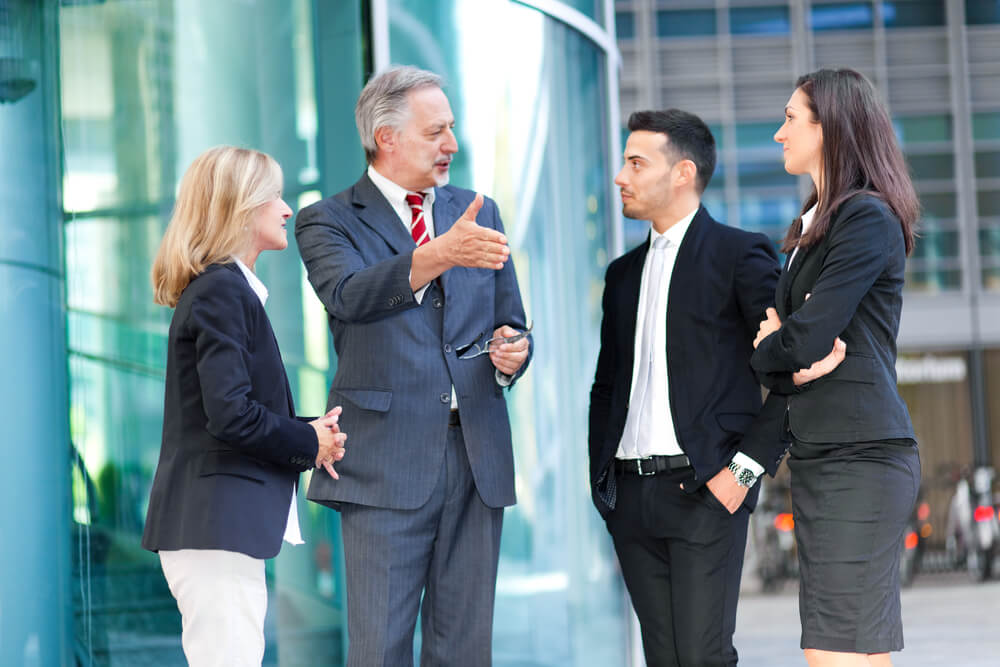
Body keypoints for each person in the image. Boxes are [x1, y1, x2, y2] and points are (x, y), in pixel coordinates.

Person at [295, 66, 531, 666]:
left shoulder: (481, 210)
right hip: (383, 467)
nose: (451, 145)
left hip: (476, 461)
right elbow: (349, 294)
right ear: (387, 137)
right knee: (380, 650)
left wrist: (513, 354)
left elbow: (512, 320)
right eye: (436, 132)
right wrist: (438, 254)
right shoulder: (327, 219)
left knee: (465, 652)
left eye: (451, 129)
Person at [589, 108, 788, 666]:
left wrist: (742, 477)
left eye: (635, 162)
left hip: (706, 492)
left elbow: (792, 377)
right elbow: (605, 389)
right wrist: (602, 482)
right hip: (631, 498)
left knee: (703, 658)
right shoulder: (621, 276)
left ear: (682, 173)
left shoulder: (739, 254)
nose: (620, 176)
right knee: (664, 658)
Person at [142, 146, 346, 666]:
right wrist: (308, 440)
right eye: (273, 196)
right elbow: (230, 414)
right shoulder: (222, 292)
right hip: (214, 530)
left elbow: (231, 409)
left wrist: (309, 435)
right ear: (240, 207)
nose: (286, 209)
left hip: (216, 530)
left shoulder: (225, 291)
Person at [751, 68, 921, 667]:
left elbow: (800, 339)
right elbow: (793, 349)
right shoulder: (814, 223)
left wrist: (774, 351)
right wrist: (784, 356)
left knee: (829, 649)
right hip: (825, 456)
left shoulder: (866, 217)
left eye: (792, 118)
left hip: (863, 455)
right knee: (860, 651)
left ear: (833, 129)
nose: (779, 134)